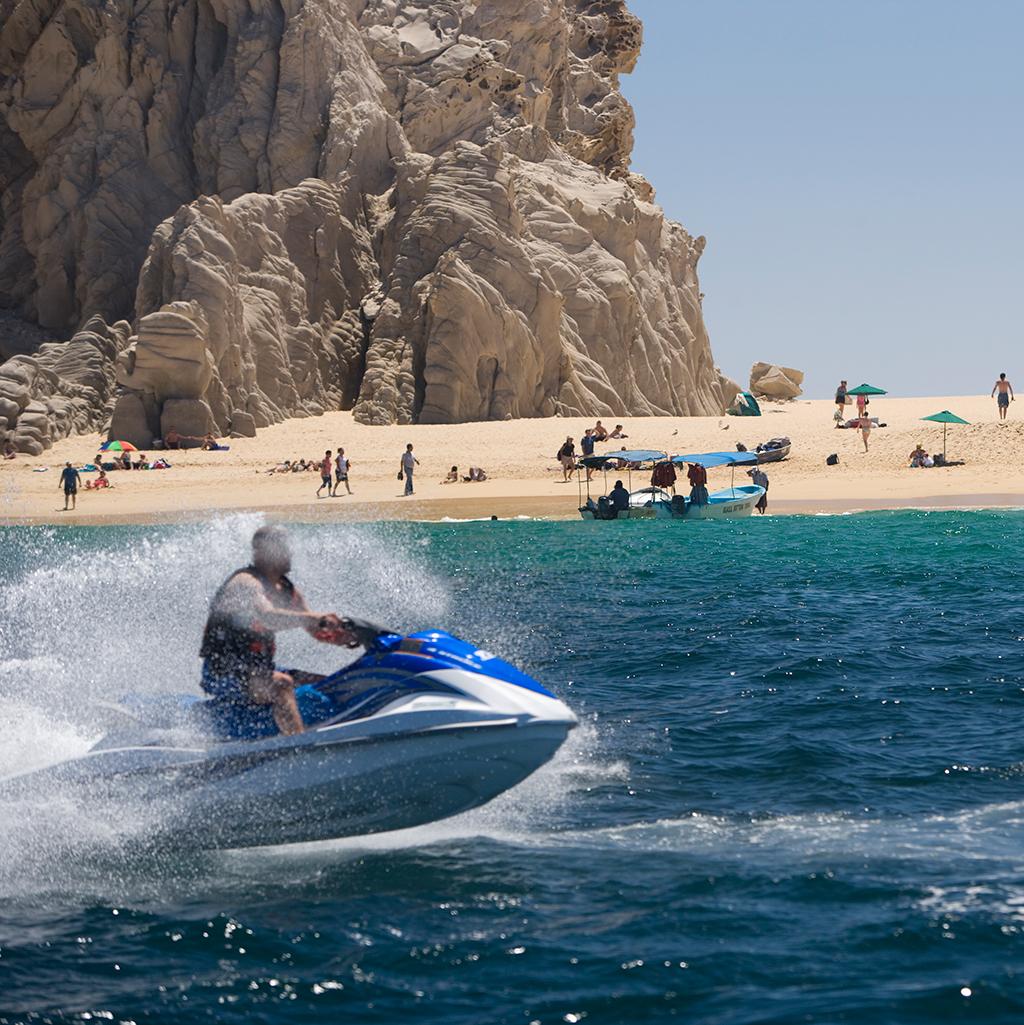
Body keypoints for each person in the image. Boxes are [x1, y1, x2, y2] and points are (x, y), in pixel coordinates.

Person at [199, 526, 355, 735]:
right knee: (282, 684)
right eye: (284, 547)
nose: (290, 553)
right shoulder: (245, 583)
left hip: (258, 667)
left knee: (326, 682)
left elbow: (314, 628)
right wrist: (315, 619)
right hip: (223, 671)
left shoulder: (287, 590)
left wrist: (346, 636)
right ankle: (298, 747)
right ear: (264, 552)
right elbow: (267, 616)